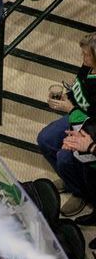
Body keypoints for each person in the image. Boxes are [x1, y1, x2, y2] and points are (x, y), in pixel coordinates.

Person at [38, 33, 96, 210]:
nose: (83, 57)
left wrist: (69, 109)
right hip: (75, 114)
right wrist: (66, 98)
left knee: (64, 157)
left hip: (89, 127)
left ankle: (80, 193)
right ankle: (70, 181)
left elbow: (93, 119)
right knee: (45, 139)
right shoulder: (88, 66)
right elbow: (78, 87)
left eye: (87, 54)